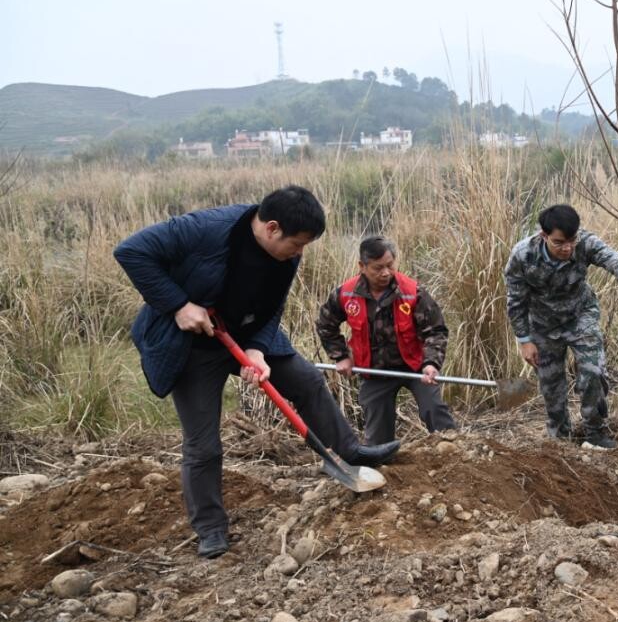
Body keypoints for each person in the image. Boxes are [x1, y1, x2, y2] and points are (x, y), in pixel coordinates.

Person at [114, 186, 398, 559]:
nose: (299, 253)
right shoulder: (203, 229)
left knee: (308, 380)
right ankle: (211, 529)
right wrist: (179, 305)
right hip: (193, 346)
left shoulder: (287, 255)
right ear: (271, 228)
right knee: (203, 446)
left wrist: (257, 348)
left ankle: (349, 453)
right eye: (296, 244)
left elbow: (273, 306)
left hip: (245, 334)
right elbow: (130, 252)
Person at [504, 204, 618, 450]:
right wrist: (524, 340)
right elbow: (516, 301)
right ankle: (560, 439)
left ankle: (595, 431)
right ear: (544, 236)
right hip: (543, 325)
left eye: (571, 240)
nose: (567, 248)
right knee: (551, 385)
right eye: (559, 243)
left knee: (592, 371)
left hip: (580, 315)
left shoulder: (583, 242)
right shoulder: (522, 256)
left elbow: (608, 256)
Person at [316, 236, 456, 446]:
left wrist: (431, 363)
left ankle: (455, 451)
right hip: (374, 371)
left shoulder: (412, 292)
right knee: (378, 440)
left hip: (415, 367)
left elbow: (436, 330)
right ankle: (383, 467)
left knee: (434, 410)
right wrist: (341, 356)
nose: (386, 273)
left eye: (390, 265)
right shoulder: (346, 293)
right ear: (362, 266)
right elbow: (326, 324)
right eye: (378, 267)